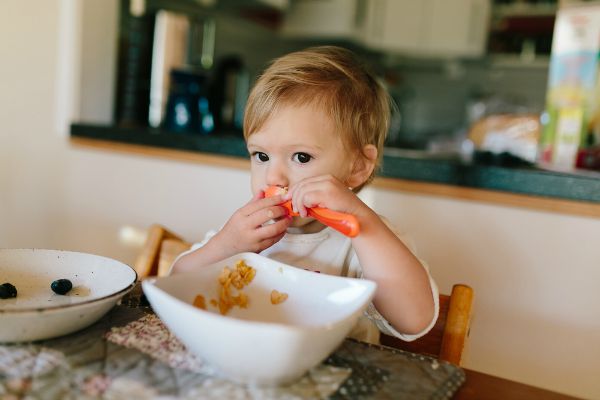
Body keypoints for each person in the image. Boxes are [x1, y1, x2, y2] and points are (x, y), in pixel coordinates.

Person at [171, 46, 438, 343]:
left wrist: (365, 225)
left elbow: (415, 320)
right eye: (261, 156)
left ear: (358, 167)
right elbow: (176, 283)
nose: (274, 177)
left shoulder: (365, 242)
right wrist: (225, 245)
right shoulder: (243, 232)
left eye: (301, 157)